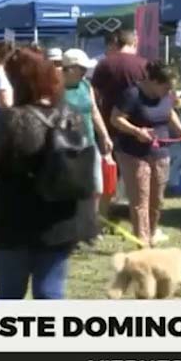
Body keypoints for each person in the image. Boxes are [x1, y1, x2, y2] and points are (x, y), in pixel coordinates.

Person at [0, 47, 89, 361]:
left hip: (13, 219)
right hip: (59, 219)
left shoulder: (7, 120)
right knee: (51, 300)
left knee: (8, 302)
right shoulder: (71, 116)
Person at [111, 62, 181, 248]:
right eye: (166, 86)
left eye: (171, 87)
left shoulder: (166, 95)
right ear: (152, 81)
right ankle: (142, 244)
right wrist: (136, 131)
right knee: (140, 199)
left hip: (160, 150)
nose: (169, 91)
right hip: (132, 152)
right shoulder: (132, 94)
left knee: (156, 200)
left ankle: (151, 235)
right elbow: (115, 118)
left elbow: (169, 114)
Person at [62, 48, 113, 239]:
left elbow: (94, 112)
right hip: (66, 147)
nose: (85, 72)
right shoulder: (55, 87)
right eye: (81, 68)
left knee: (96, 188)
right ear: (70, 68)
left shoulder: (85, 85)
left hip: (89, 144)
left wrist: (104, 136)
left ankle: (89, 225)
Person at [91, 29, 147, 135]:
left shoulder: (104, 64)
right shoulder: (145, 65)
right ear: (134, 43)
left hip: (110, 125)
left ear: (115, 43)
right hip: (142, 125)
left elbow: (94, 95)